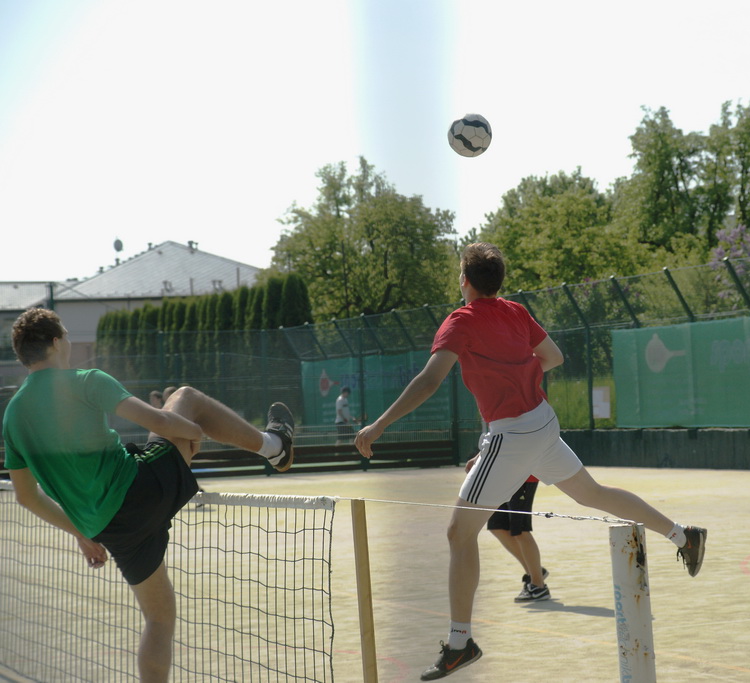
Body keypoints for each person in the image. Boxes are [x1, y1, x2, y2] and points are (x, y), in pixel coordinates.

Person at [355, 242, 707, 681]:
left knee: (458, 533)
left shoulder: (460, 321)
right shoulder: (516, 312)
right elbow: (553, 357)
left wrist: (379, 425)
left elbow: (429, 381)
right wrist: (518, 382)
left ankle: (460, 644)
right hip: (540, 422)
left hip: (514, 434)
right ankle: (683, 535)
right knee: (593, 494)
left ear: (464, 280)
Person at [2, 308, 296, 683]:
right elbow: (158, 421)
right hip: (140, 489)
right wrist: (194, 430)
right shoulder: (86, 380)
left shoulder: (12, 416)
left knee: (158, 618)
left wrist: (81, 531)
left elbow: (27, 498)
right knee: (187, 398)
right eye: (68, 337)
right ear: (57, 342)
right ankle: (275, 446)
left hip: (109, 528)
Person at [485, 475, 550, 602]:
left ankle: (538, 587)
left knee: (520, 530)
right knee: (496, 526)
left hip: (522, 477)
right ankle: (535, 571)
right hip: (500, 477)